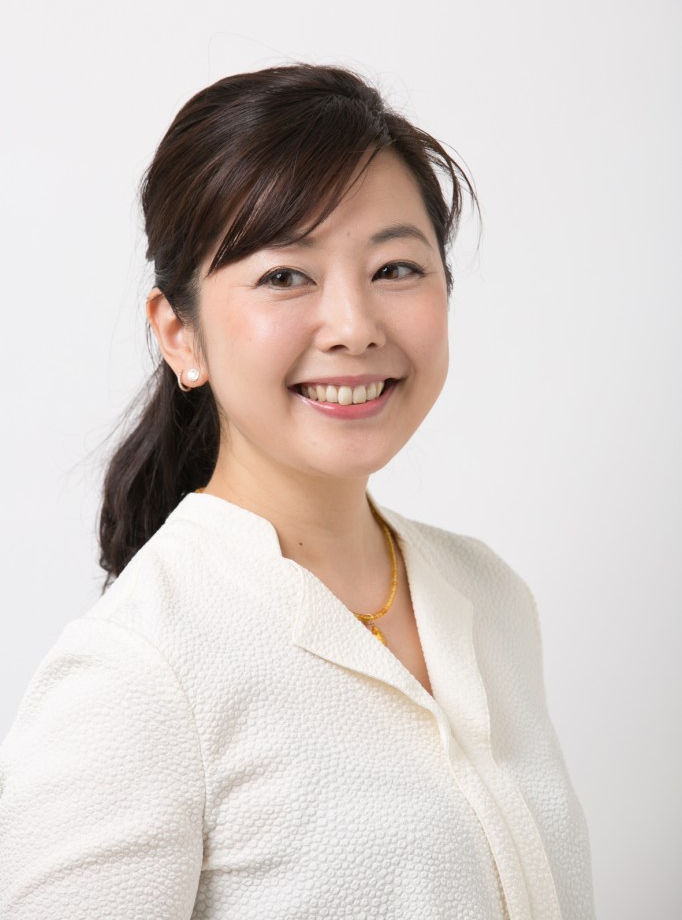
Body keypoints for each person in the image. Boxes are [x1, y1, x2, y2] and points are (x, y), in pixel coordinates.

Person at [0, 64, 595, 919]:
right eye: (286, 275)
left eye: (396, 266)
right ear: (180, 334)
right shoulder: (138, 671)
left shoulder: (489, 595)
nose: (354, 326)